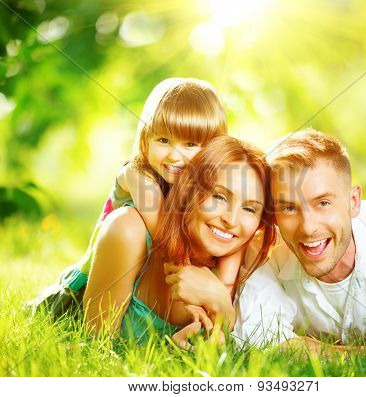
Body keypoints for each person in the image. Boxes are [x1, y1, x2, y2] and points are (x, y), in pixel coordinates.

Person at [30, 78, 245, 319]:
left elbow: (234, 243)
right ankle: (99, 341)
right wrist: (198, 293)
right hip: (85, 301)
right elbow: (169, 242)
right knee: (129, 224)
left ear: (214, 150)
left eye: (191, 144)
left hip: (148, 299)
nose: (175, 156)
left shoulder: (209, 190)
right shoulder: (140, 177)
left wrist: (220, 294)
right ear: (146, 139)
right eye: (164, 140)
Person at [232, 129, 366, 352]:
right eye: (288, 208)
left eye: (323, 203)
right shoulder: (266, 250)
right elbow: (258, 339)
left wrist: (306, 349)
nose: (308, 227)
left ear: (353, 202)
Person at [82, 136, 276, 346]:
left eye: (249, 208)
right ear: (188, 191)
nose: (231, 220)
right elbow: (95, 348)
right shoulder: (127, 230)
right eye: (219, 197)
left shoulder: (242, 265)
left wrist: (221, 305)